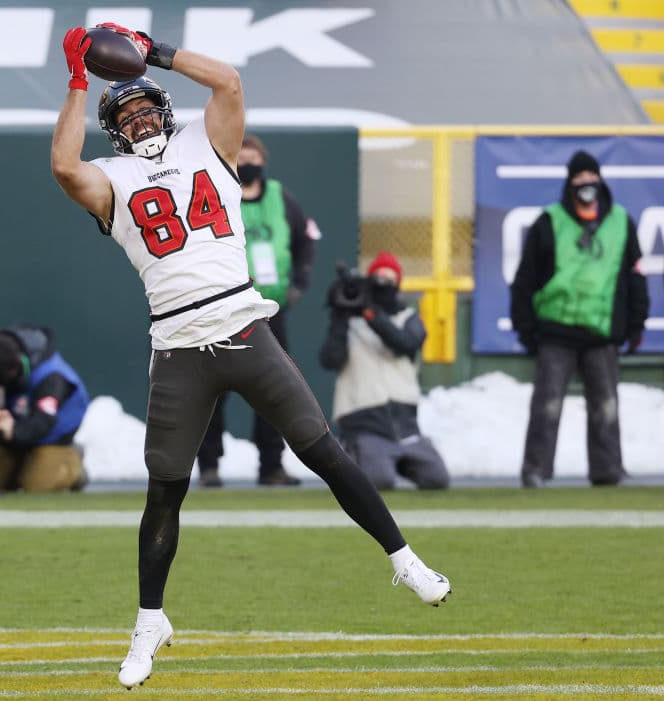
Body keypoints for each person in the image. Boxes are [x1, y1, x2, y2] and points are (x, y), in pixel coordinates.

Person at [51, 22, 452, 690]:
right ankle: (150, 620)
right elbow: (65, 165)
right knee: (165, 490)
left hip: (243, 324)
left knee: (322, 449)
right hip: (178, 346)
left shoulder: (207, 142)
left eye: (149, 105)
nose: (142, 117)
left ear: (167, 110)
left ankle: (404, 556)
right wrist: (74, 82)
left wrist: (156, 54)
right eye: (127, 112)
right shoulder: (110, 177)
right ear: (114, 131)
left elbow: (229, 81)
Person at [510, 150, 648, 488]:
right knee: (548, 405)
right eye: (579, 178)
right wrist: (527, 330)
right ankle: (536, 470)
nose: (586, 184)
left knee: (606, 405)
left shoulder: (621, 222)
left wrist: (635, 324)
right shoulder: (550, 221)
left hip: (601, 332)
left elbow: (634, 277)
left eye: (591, 177)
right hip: (556, 331)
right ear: (569, 183)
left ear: (600, 181)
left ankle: (608, 470)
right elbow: (525, 279)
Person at [194, 133, 319, 488]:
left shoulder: (281, 198)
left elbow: (306, 240)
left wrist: (298, 284)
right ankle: (209, 465)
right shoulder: (217, 193)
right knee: (212, 391)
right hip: (223, 309)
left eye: (254, 157)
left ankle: (271, 465)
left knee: (275, 392)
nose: (249, 163)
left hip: (268, 311)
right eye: (242, 156)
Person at [319, 251, 450, 491]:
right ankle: (363, 454)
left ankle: (397, 459)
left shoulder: (409, 318)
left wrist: (371, 313)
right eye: (378, 278)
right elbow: (330, 360)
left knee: (437, 478)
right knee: (380, 481)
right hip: (364, 422)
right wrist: (340, 316)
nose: (383, 284)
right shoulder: (350, 321)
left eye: (389, 279)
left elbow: (404, 343)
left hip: (405, 424)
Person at [0, 325, 89, 493]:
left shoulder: (52, 378)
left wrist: (14, 432)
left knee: (38, 487)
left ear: (17, 368)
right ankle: (23, 466)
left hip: (52, 434)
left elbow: (44, 421)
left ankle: (73, 466)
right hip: (11, 427)